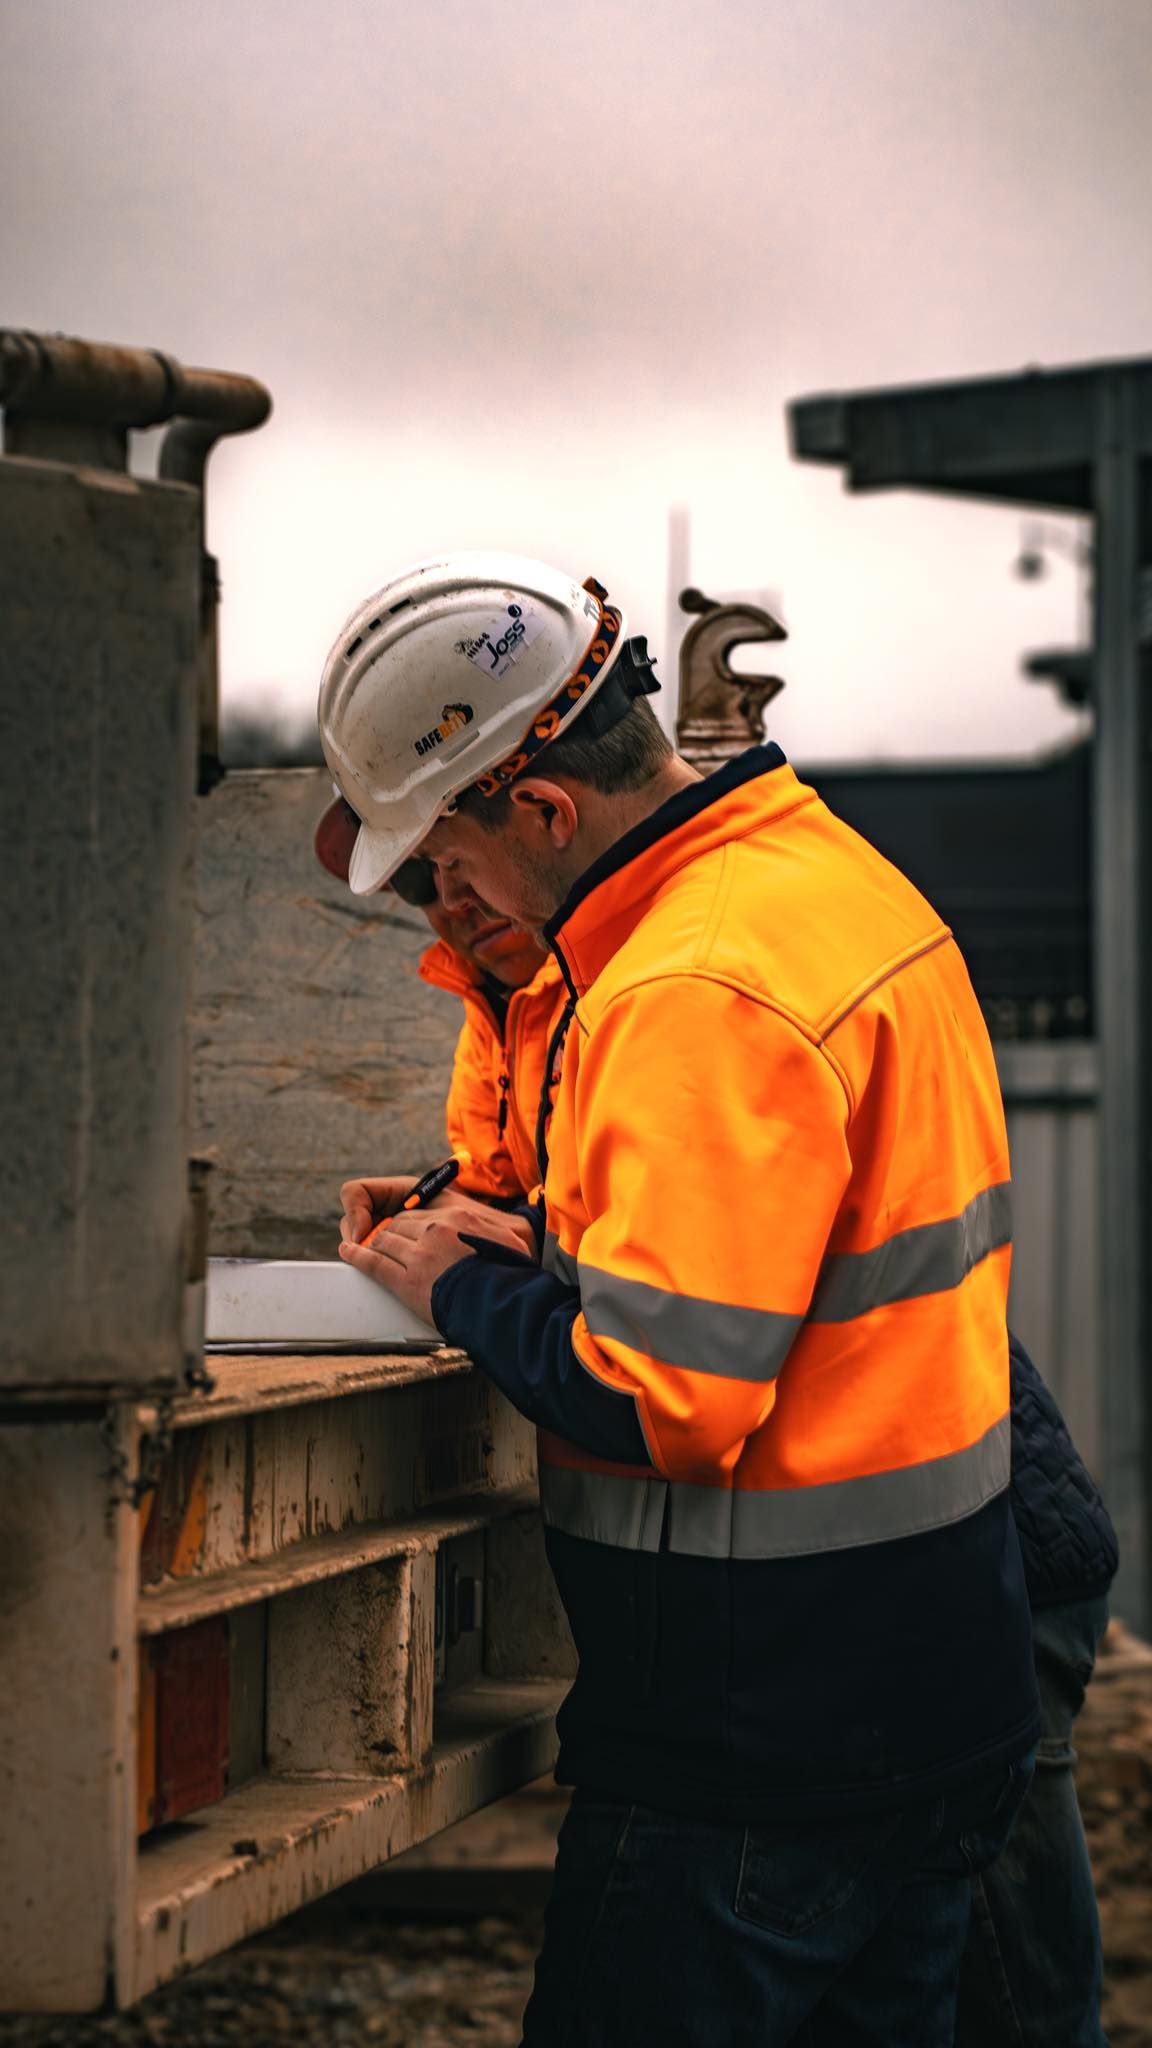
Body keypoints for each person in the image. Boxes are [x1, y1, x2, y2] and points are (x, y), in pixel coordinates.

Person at [318, 552, 1040, 2047]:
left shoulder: (686, 990)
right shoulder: (813, 875)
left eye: (451, 855)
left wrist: (456, 1284)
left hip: (759, 1748)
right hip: (932, 1685)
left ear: (541, 807)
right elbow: (767, 1230)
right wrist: (509, 1222)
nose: (447, 901)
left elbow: (669, 1400)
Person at [314, 792, 565, 1209]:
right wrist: (444, 1207)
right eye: (415, 881)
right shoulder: (488, 1019)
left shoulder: (619, 986)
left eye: (461, 858)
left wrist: (510, 1238)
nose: (456, 900)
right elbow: (493, 1182)